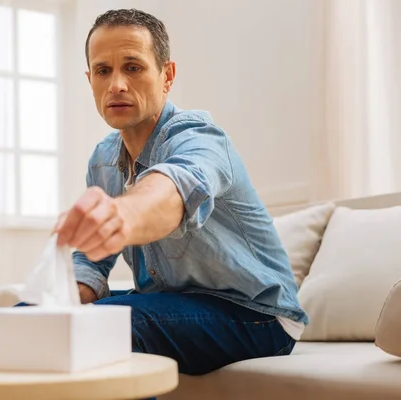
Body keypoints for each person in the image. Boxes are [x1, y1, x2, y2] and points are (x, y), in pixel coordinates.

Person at [53, 8, 308, 376]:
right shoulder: (102, 160)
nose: (117, 85)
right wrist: (64, 299)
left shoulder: (200, 137)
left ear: (166, 75)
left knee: (112, 327)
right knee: (27, 320)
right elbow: (93, 260)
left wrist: (119, 215)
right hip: (168, 302)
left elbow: (174, 187)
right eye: (103, 71)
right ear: (90, 78)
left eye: (133, 67)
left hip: (258, 316)